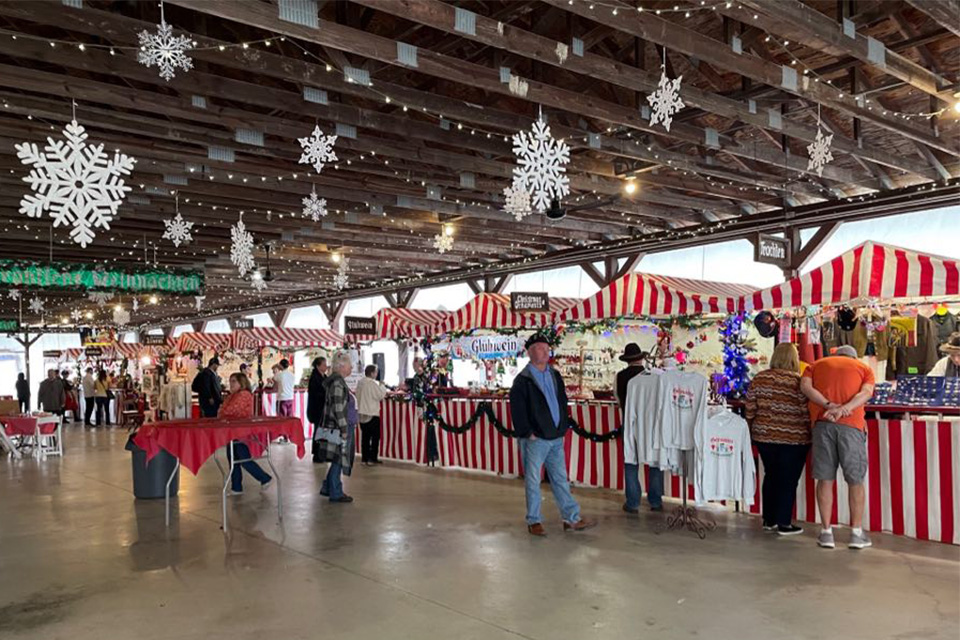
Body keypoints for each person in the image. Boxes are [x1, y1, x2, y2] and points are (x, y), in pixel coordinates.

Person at [510, 334, 596, 536]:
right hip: (536, 439)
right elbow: (517, 409)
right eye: (540, 348)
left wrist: (563, 426)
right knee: (533, 480)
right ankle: (534, 520)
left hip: (555, 436)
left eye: (547, 348)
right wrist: (527, 432)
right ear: (530, 352)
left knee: (560, 479)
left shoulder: (554, 375)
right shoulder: (523, 380)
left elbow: (561, 401)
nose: (545, 351)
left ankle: (571, 518)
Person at [801, 345, 876, 550]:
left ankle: (826, 532)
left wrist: (828, 405)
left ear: (836, 355)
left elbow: (806, 388)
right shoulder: (864, 368)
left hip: (822, 423)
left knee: (825, 479)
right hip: (852, 426)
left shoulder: (815, 365)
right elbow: (866, 393)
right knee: (855, 480)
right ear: (853, 357)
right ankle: (856, 533)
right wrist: (845, 409)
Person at [745, 343, 811, 536]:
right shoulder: (798, 382)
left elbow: (750, 407)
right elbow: (804, 411)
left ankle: (769, 519)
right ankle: (784, 523)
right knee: (788, 480)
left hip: (763, 436)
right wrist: (810, 431)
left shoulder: (760, 378)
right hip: (793, 438)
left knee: (771, 476)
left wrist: (751, 428)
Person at [615, 343, 663, 514]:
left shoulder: (620, 377)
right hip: (653, 424)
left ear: (626, 361)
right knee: (655, 461)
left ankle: (633, 502)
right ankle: (655, 501)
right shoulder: (657, 377)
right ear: (642, 358)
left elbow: (618, 400)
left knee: (631, 461)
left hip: (630, 423)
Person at [219, 373, 273, 494]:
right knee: (233, 459)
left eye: (234, 381)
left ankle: (264, 478)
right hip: (233, 431)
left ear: (241, 382)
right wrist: (223, 410)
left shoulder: (244, 395)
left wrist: (223, 411)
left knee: (243, 459)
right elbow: (224, 410)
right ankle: (236, 486)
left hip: (241, 432)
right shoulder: (233, 395)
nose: (231, 384)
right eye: (230, 381)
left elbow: (231, 410)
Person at [315, 352, 356, 503]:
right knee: (338, 459)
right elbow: (339, 408)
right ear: (341, 366)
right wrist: (345, 430)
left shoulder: (335, 382)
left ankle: (328, 487)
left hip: (334, 426)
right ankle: (336, 492)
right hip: (339, 428)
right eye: (349, 365)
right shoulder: (338, 383)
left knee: (336, 459)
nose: (351, 367)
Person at [357, 364, 388, 465]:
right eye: (375, 372)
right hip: (372, 413)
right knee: (374, 437)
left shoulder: (360, 383)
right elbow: (380, 395)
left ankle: (364, 458)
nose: (377, 374)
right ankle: (372, 458)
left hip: (362, 413)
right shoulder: (372, 384)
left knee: (365, 438)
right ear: (372, 373)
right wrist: (382, 385)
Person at [307, 357, 328, 462]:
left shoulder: (324, 376)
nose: (326, 366)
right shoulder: (314, 378)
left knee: (323, 431)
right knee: (318, 431)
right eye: (324, 365)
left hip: (323, 408)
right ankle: (317, 454)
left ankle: (322, 453)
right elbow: (316, 394)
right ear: (318, 366)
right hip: (317, 409)